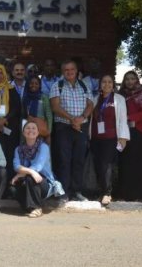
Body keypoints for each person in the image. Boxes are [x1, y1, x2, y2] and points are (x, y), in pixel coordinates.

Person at [50, 59, 93, 202]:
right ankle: (64, 192)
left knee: (78, 160)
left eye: (72, 69)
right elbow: (55, 107)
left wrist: (81, 118)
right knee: (64, 160)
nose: (69, 72)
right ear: (63, 72)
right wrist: (72, 119)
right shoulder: (58, 85)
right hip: (63, 127)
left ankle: (77, 191)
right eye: (66, 70)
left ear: (76, 71)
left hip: (81, 126)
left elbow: (90, 104)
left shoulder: (84, 85)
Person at [90, 75, 129, 206]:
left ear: (113, 84)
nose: (106, 84)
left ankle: (107, 192)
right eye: (104, 82)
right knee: (97, 165)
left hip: (111, 138)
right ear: (100, 84)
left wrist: (123, 137)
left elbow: (123, 119)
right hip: (95, 138)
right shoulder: (95, 99)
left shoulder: (119, 99)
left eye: (109, 82)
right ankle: (100, 190)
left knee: (107, 166)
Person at [11, 121, 64, 218]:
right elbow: (16, 166)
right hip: (28, 179)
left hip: (44, 183)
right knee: (12, 187)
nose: (30, 130)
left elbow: (38, 166)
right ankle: (28, 207)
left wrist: (22, 173)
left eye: (33, 128)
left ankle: (37, 208)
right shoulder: (18, 149)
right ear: (23, 133)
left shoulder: (44, 147)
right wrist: (29, 171)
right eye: (27, 128)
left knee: (31, 178)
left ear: (38, 133)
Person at [118, 71, 142, 202]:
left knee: (139, 163)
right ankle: (126, 193)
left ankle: (141, 193)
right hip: (123, 132)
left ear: (136, 80)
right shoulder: (120, 94)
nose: (129, 81)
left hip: (138, 132)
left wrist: (128, 117)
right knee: (126, 163)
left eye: (132, 78)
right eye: (127, 79)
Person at [22, 76, 53, 145]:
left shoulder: (44, 97)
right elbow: (23, 116)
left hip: (41, 131)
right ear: (28, 84)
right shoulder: (25, 98)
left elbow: (49, 115)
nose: (34, 85)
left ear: (39, 85)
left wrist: (49, 133)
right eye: (31, 83)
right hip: (29, 131)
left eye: (36, 83)